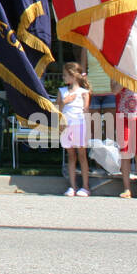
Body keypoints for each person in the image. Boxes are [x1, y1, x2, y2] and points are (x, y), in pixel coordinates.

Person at [59, 62, 90, 196]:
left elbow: (86, 110)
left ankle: (86, 186)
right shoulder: (62, 91)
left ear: (73, 76)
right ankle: (73, 186)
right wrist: (65, 101)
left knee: (82, 155)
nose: (63, 77)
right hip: (67, 126)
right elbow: (58, 109)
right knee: (71, 156)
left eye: (66, 75)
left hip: (80, 125)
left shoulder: (84, 92)